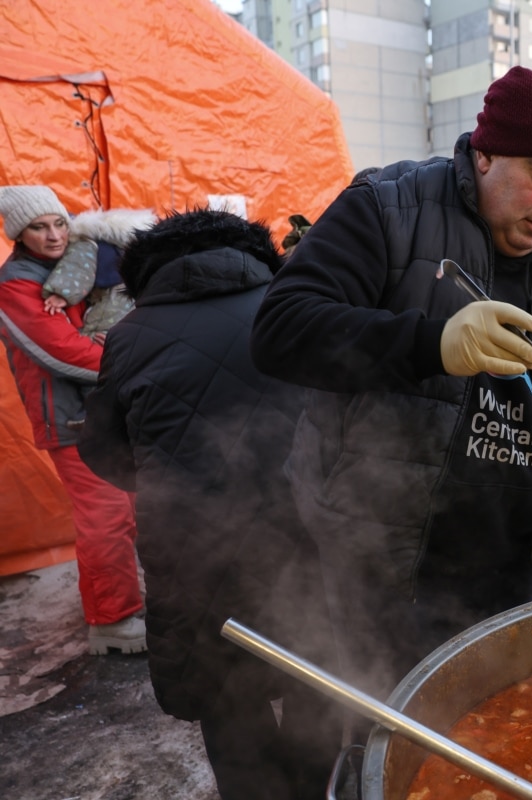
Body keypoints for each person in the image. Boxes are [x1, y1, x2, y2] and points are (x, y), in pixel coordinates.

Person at [249, 66, 532, 701]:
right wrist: (432, 344)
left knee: (496, 724)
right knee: (389, 723)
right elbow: (281, 330)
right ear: (485, 152)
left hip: (507, 556)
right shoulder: (387, 209)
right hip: (379, 552)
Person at [77, 209, 341, 799]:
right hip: (303, 537)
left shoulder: (130, 335)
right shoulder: (289, 305)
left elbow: (102, 452)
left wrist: (171, 479)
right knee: (316, 688)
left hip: (193, 553)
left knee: (229, 705)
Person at [0, 185, 144, 655]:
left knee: (132, 510)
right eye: (39, 228)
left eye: (59, 222)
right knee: (106, 518)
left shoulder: (78, 258)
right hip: (70, 419)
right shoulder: (16, 284)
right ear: (19, 234)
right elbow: (57, 351)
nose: (54, 234)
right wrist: (131, 360)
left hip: (106, 408)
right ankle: (112, 621)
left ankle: (130, 602)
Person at [40, 208, 154, 339]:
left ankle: (96, 339)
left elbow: (78, 265)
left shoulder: (84, 239)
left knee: (103, 325)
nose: (55, 236)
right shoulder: (141, 241)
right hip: (141, 294)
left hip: (116, 294)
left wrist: (61, 293)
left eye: (59, 225)